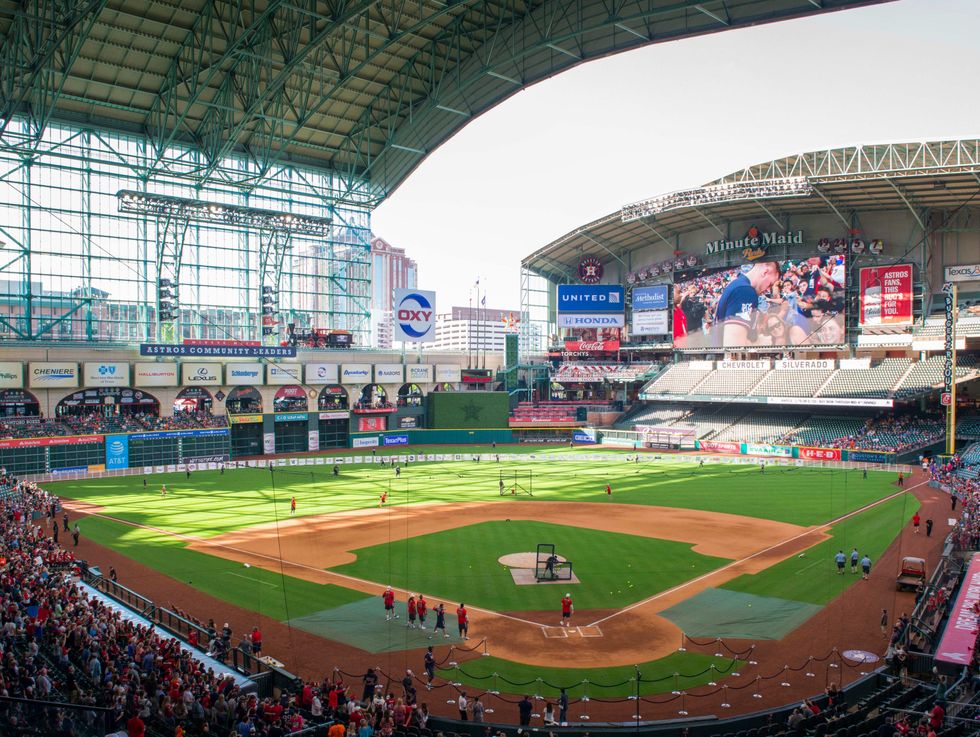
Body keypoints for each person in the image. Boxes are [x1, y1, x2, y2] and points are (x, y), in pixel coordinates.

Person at [714, 260, 781, 347]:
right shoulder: (745, 291)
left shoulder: (738, 285)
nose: (768, 289)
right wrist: (760, 344)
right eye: (770, 284)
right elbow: (733, 347)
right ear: (765, 272)